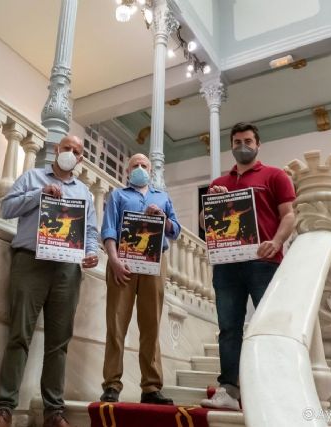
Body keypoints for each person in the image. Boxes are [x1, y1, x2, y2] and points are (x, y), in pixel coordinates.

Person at [0, 135, 99, 427]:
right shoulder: (32, 177)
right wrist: (40, 194)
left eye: (76, 151)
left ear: (80, 159)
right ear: (56, 150)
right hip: (30, 262)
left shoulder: (85, 193)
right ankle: (4, 409)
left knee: (59, 342)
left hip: (67, 269)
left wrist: (90, 253)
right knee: (18, 335)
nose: (70, 153)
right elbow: (7, 208)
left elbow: (90, 231)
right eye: (66, 148)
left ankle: (54, 412)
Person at [199, 122, 296, 410]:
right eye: (238, 141)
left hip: (264, 262)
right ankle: (229, 390)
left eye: (248, 141)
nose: (243, 146)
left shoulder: (275, 175)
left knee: (269, 326)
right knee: (228, 328)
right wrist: (211, 207)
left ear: (258, 144)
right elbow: (206, 225)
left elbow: (289, 216)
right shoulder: (221, 183)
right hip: (227, 265)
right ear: (232, 145)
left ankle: (276, 386)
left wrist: (276, 242)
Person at [99, 153, 181, 405]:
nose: (140, 169)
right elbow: (109, 229)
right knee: (116, 325)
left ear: (150, 170)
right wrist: (113, 260)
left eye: (144, 165)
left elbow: (175, 231)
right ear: (127, 170)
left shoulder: (162, 197)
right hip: (122, 263)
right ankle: (111, 385)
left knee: (151, 327)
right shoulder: (117, 196)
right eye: (135, 165)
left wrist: (163, 219)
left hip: (154, 264)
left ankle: (151, 387)